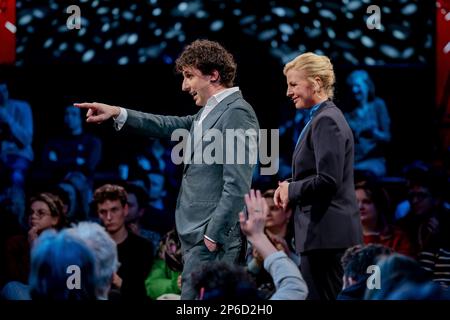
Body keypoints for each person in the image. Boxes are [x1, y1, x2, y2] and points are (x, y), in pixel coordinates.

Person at [75, 39, 259, 299]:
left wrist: (212, 235)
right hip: (199, 238)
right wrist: (117, 112)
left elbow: (238, 184)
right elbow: (164, 124)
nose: (184, 86)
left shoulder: (237, 112)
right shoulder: (207, 114)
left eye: (189, 76)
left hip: (212, 238)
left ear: (214, 75)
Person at [274, 52, 363, 300]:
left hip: (327, 237)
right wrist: (290, 185)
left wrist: (291, 190)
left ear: (316, 83)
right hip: (322, 236)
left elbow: (328, 180)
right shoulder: (321, 118)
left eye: (293, 84)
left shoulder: (327, 121)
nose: (288, 92)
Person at [191, 189, 308, 300]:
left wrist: (288, 255)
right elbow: (232, 283)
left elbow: (308, 277)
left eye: (273, 208)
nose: (268, 213)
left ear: (288, 212)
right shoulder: (247, 245)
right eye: (264, 209)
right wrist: (256, 262)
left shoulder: (300, 242)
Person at [93, 184, 153, 301]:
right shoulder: (92, 246)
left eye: (114, 210)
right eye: (103, 212)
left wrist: (119, 282)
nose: (109, 217)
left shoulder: (143, 248)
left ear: (125, 210)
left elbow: (145, 291)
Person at [344, 70, 391, 177]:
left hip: (373, 160)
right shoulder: (347, 111)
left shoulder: (378, 105)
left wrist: (374, 133)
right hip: (353, 161)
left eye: (357, 86)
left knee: (366, 174)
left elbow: (387, 137)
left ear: (366, 86)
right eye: (351, 87)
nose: (354, 90)